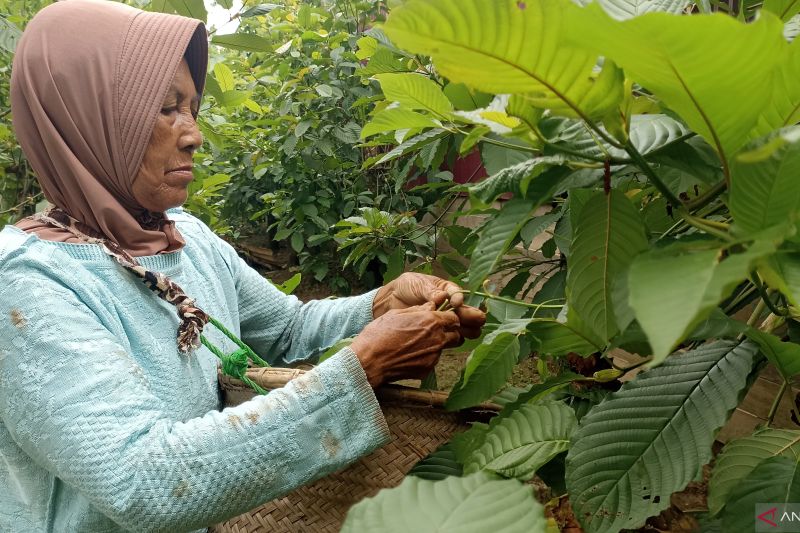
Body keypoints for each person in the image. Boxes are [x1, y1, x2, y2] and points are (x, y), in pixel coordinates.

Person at [0, 1, 485, 531]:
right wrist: (362, 366)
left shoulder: (187, 239)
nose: (193, 134)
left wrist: (379, 304)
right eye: (165, 108)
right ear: (86, 120)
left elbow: (288, 327)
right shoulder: (29, 282)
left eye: (191, 107)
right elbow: (142, 481)